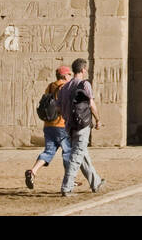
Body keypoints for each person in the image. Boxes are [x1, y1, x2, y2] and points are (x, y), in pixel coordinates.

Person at [57, 58, 102, 196]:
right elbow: (91, 104)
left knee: (82, 155)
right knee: (77, 156)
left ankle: (96, 182)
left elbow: (59, 108)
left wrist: (67, 119)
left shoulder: (64, 87)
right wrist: (98, 119)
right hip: (82, 125)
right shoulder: (84, 84)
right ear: (83, 70)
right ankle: (67, 187)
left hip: (69, 126)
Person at [25, 65, 73, 189]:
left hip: (48, 125)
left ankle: (33, 171)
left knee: (49, 151)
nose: (70, 77)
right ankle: (69, 179)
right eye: (69, 74)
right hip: (61, 125)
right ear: (64, 75)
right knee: (68, 152)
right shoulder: (65, 87)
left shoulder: (50, 86)